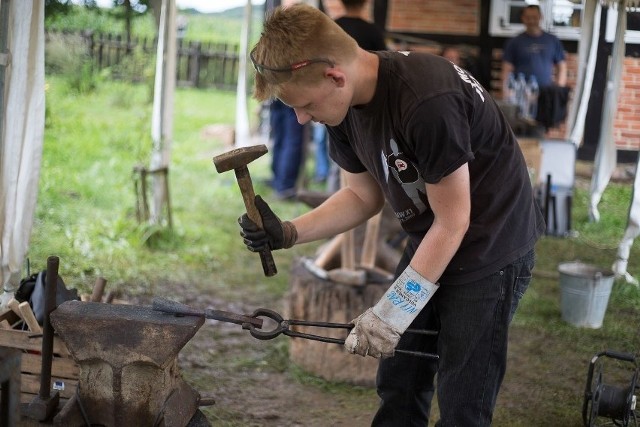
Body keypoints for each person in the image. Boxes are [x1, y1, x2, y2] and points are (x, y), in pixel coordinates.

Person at [240, 4, 544, 426]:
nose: (302, 118)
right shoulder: (342, 106)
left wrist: (392, 313)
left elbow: (455, 220)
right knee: (400, 377)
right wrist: (288, 232)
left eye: (305, 104)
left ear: (334, 76)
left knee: (462, 396)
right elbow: (361, 196)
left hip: (491, 246)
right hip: (434, 235)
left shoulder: (425, 100)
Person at [268, 98, 305, 200]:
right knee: (292, 141)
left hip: (274, 91)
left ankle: (277, 179)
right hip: (292, 91)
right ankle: (286, 186)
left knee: (279, 138)